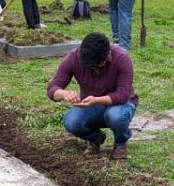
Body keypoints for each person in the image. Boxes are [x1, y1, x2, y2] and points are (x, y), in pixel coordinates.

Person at [46, 32, 138, 161]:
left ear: (108, 55)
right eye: (90, 67)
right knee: (71, 122)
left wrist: (97, 100)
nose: (95, 70)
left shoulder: (122, 58)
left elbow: (123, 94)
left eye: (98, 66)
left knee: (115, 116)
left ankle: (120, 143)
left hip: (120, 104)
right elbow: (52, 88)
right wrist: (64, 93)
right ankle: (95, 138)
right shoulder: (74, 58)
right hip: (91, 104)